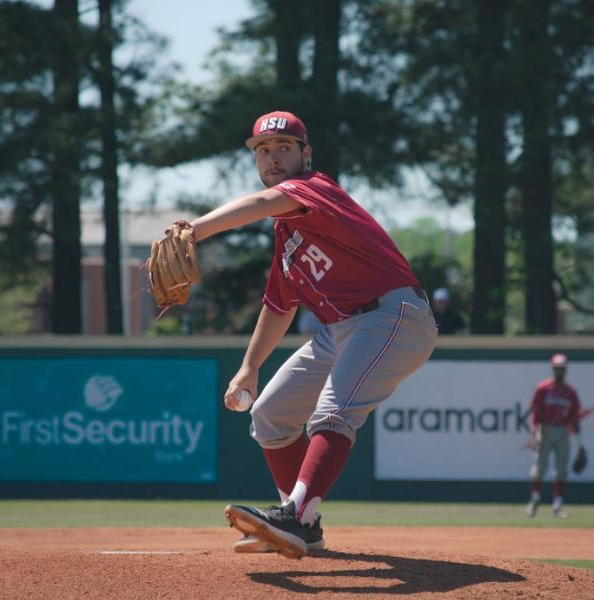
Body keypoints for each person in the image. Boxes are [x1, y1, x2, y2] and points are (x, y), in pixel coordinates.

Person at [179, 110, 438, 559]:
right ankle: (303, 526)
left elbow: (262, 204)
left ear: (306, 153)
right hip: (340, 330)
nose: (272, 158)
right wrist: (248, 368)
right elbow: (278, 306)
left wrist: (194, 230)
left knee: (333, 412)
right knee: (271, 415)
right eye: (263, 150)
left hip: (393, 315)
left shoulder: (315, 189)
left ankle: (295, 516)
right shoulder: (288, 237)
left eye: (283, 148)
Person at [526, 352, 582, 518]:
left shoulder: (570, 392)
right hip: (545, 428)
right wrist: (535, 432)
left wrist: (580, 444)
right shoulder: (543, 388)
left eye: (562, 368)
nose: (559, 371)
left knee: (561, 470)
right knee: (539, 468)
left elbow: (575, 418)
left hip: (562, 430)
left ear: (566, 370)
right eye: (557, 368)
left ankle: (557, 504)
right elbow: (535, 413)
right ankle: (534, 501)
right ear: (552, 369)